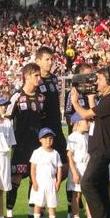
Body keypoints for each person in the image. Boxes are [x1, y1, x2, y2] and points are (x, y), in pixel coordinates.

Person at [70, 66, 110, 218]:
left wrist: (74, 102)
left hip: (102, 149)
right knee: (100, 187)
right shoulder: (108, 99)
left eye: (100, 79)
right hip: (99, 148)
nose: (97, 82)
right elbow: (96, 115)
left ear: (109, 82)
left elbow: (86, 114)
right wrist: (92, 99)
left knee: (87, 184)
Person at [5, 63, 45, 218]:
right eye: (36, 75)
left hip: (37, 146)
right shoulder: (16, 97)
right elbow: (7, 118)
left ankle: (32, 216)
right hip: (21, 145)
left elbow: (43, 119)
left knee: (35, 179)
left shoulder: (41, 97)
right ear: (27, 76)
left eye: (39, 75)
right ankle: (9, 215)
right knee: (16, 179)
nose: (39, 78)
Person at [35, 46, 68, 178]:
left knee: (65, 168)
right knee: (41, 172)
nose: (50, 62)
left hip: (57, 128)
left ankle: (71, 198)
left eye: (51, 59)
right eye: (47, 59)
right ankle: (36, 198)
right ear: (38, 61)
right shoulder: (35, 80)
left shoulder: (54, 79)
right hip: (43, 129)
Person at [29, 128, 62, 218]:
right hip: (40, 181)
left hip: (51, 181)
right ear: (40, 140)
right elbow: (33, 169)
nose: (48, 141)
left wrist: (58, 182)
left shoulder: (55, 153)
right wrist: (34, 181)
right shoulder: (37, 152)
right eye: (46, 138)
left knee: (52, 203)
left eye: (50, 138)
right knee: (38, 202)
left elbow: (59, 168)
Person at [66, 113, 92, 218]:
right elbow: (70, 156)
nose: (89, 124)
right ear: (79, 123)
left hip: (87, 166)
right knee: (76, 193)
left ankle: (90, 217)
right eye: (86, 121)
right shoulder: (72, 137)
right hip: (77, 167)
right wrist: (74, 172)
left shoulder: (87, 136)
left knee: (89, 193)